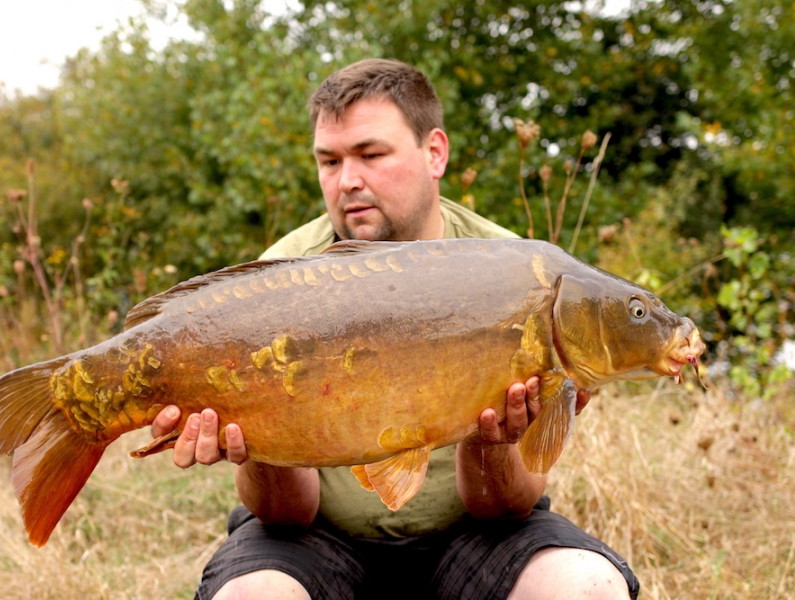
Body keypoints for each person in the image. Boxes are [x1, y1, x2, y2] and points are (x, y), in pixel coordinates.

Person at [151, 58, 640, 599]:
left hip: (474, 532)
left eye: (371, 154)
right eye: (329, 161)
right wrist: (253, 443)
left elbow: (504, 506)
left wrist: (493, 439)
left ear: (435, 152)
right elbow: (289, 514)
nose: (348, 181)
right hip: (317, 537)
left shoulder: (522, 277)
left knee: (585, 586)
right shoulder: (280, 280)